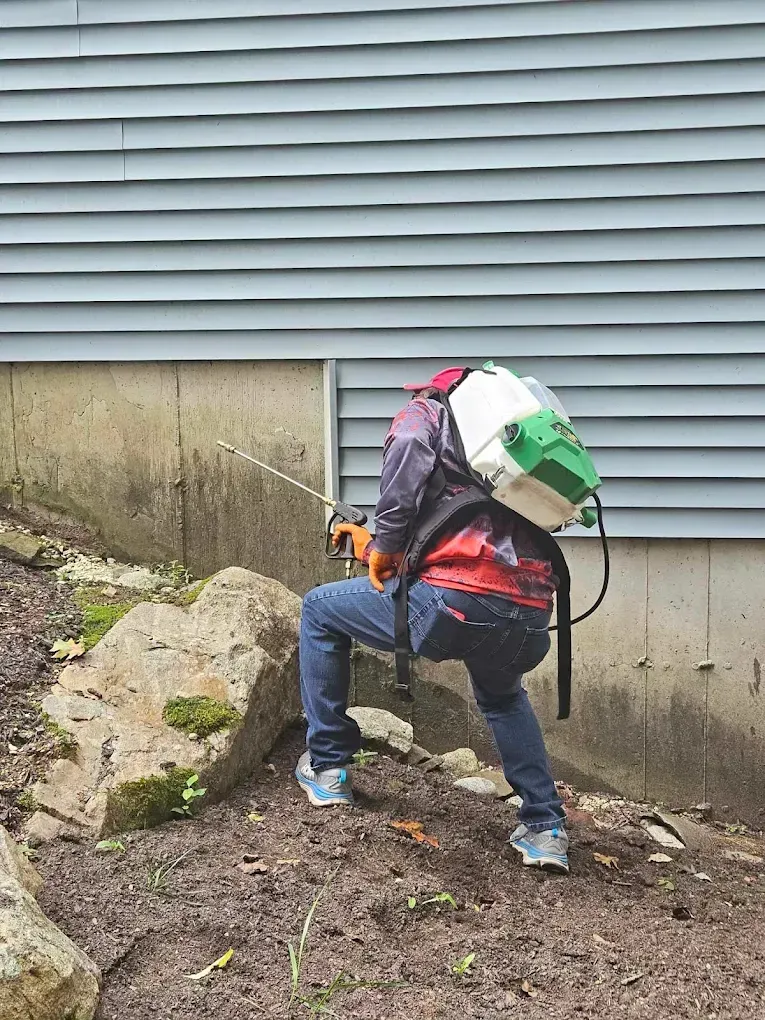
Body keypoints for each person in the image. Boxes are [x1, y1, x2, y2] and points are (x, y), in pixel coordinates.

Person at [295, 367, 569, 873]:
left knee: (318, 609)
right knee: (505, 697)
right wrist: (376, 544)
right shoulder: (508, 456)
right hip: (531, 617)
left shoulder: (429, 413)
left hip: (453, 607)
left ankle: (328, 768)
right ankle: (545, 828)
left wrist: (384, 546)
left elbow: (407, 450)